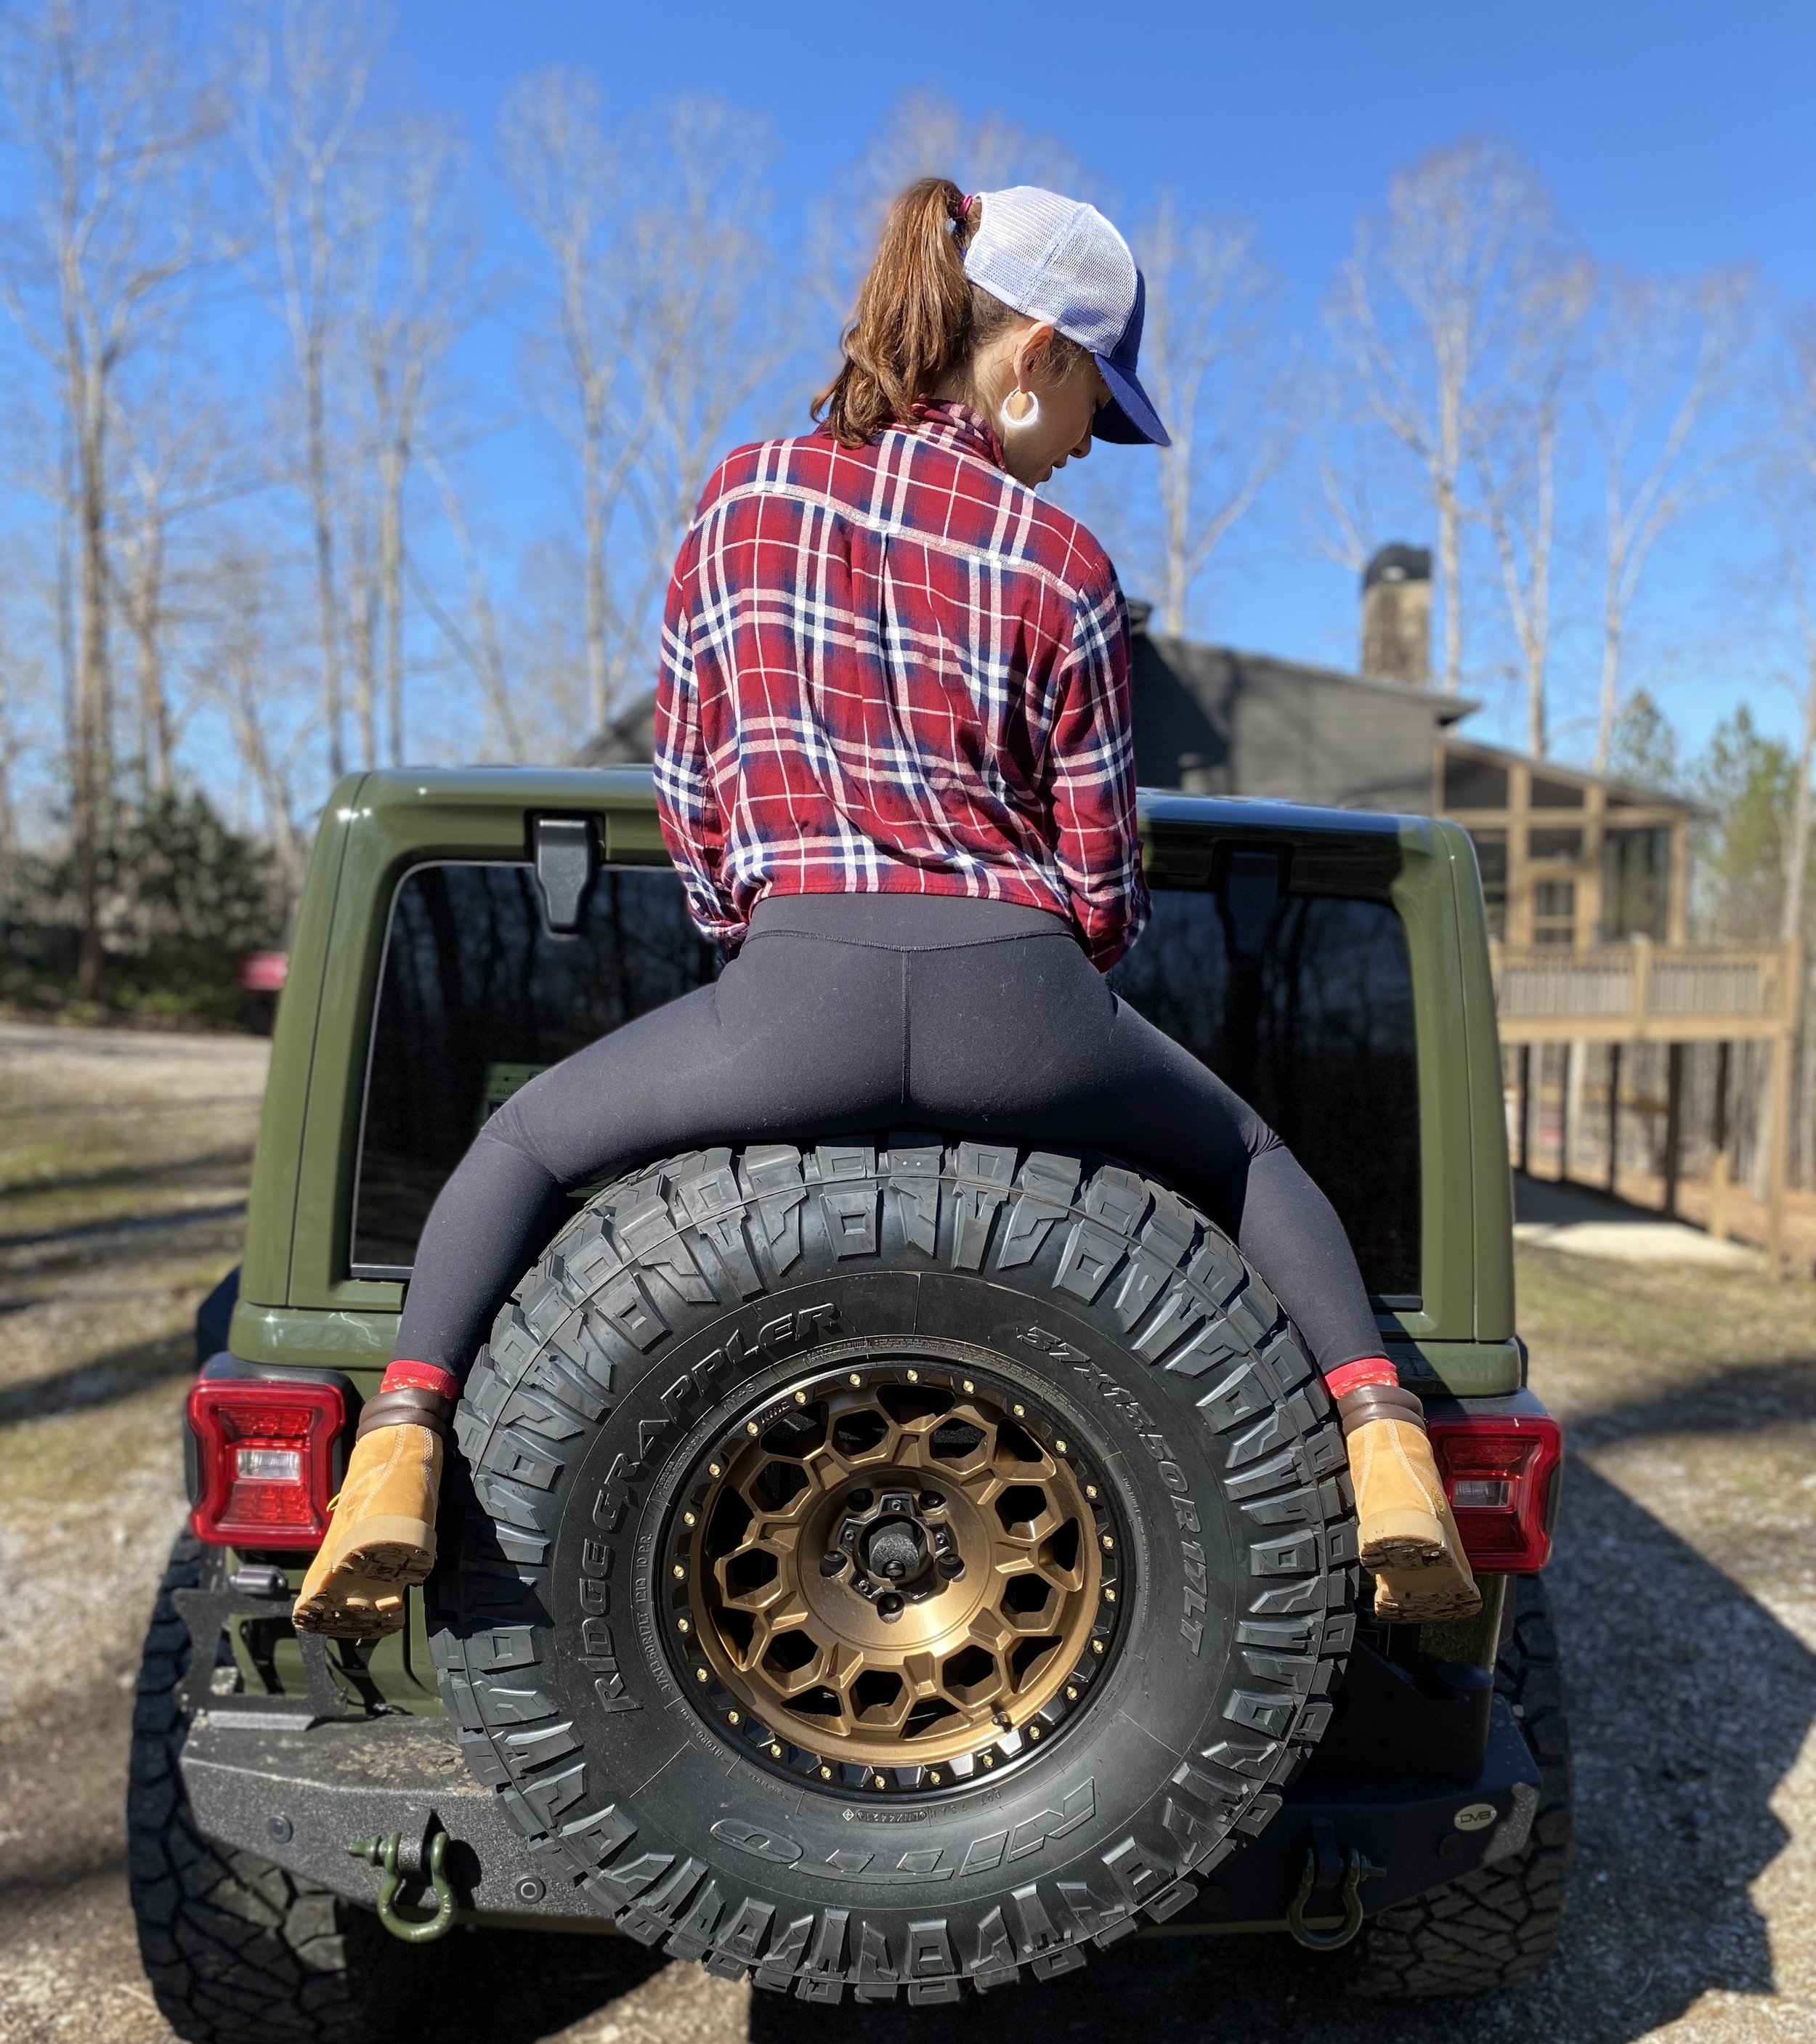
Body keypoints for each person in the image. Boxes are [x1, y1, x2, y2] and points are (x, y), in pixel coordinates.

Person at [296, 179, 1477, 1639]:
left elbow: (693, 803)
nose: (1079, 457)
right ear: (1035, 350)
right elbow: (1100, 870)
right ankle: (1382, 1446)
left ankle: (399, 1451)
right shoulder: (1064, 564)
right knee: (1242, 1155)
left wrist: (770, 951)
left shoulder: (741, 494)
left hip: (795, 991)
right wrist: (1063, 976)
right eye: (1093, 415)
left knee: (522, 1139)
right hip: (1025, 1003)